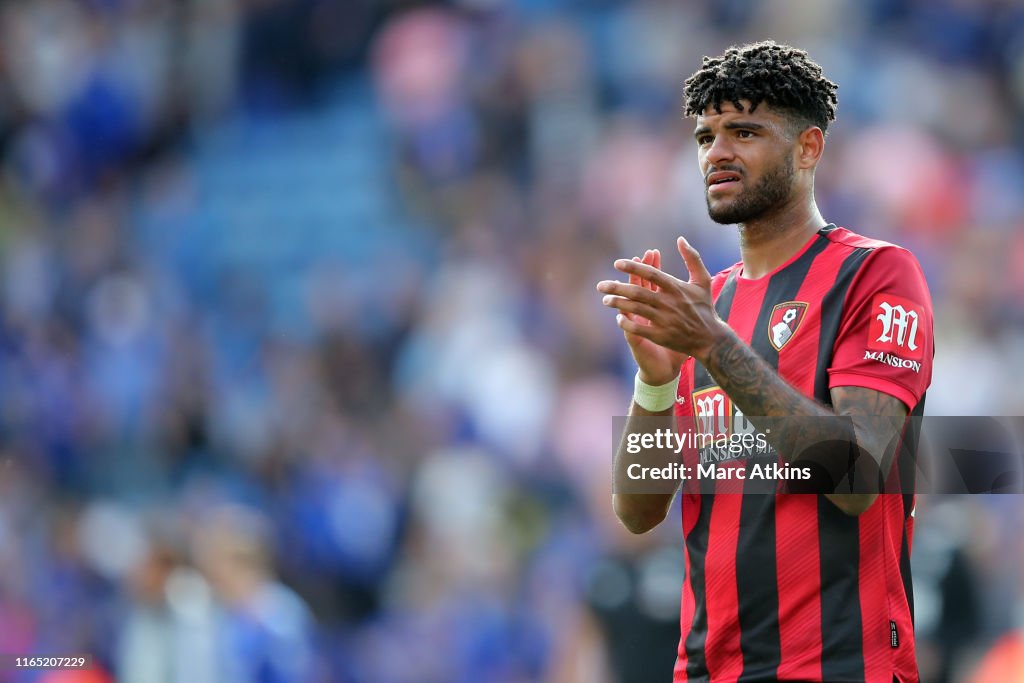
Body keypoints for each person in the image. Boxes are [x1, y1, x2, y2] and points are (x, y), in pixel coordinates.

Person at [596, 41, 934, 683]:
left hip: (841, 667)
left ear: (809, 148)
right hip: (706, 670)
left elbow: (857, 479)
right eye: (705, 136)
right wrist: (658, 382)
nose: (716, 153)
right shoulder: (706, 304)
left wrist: (716, 348)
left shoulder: (876, 275)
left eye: (743, 132)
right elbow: (638, 512)